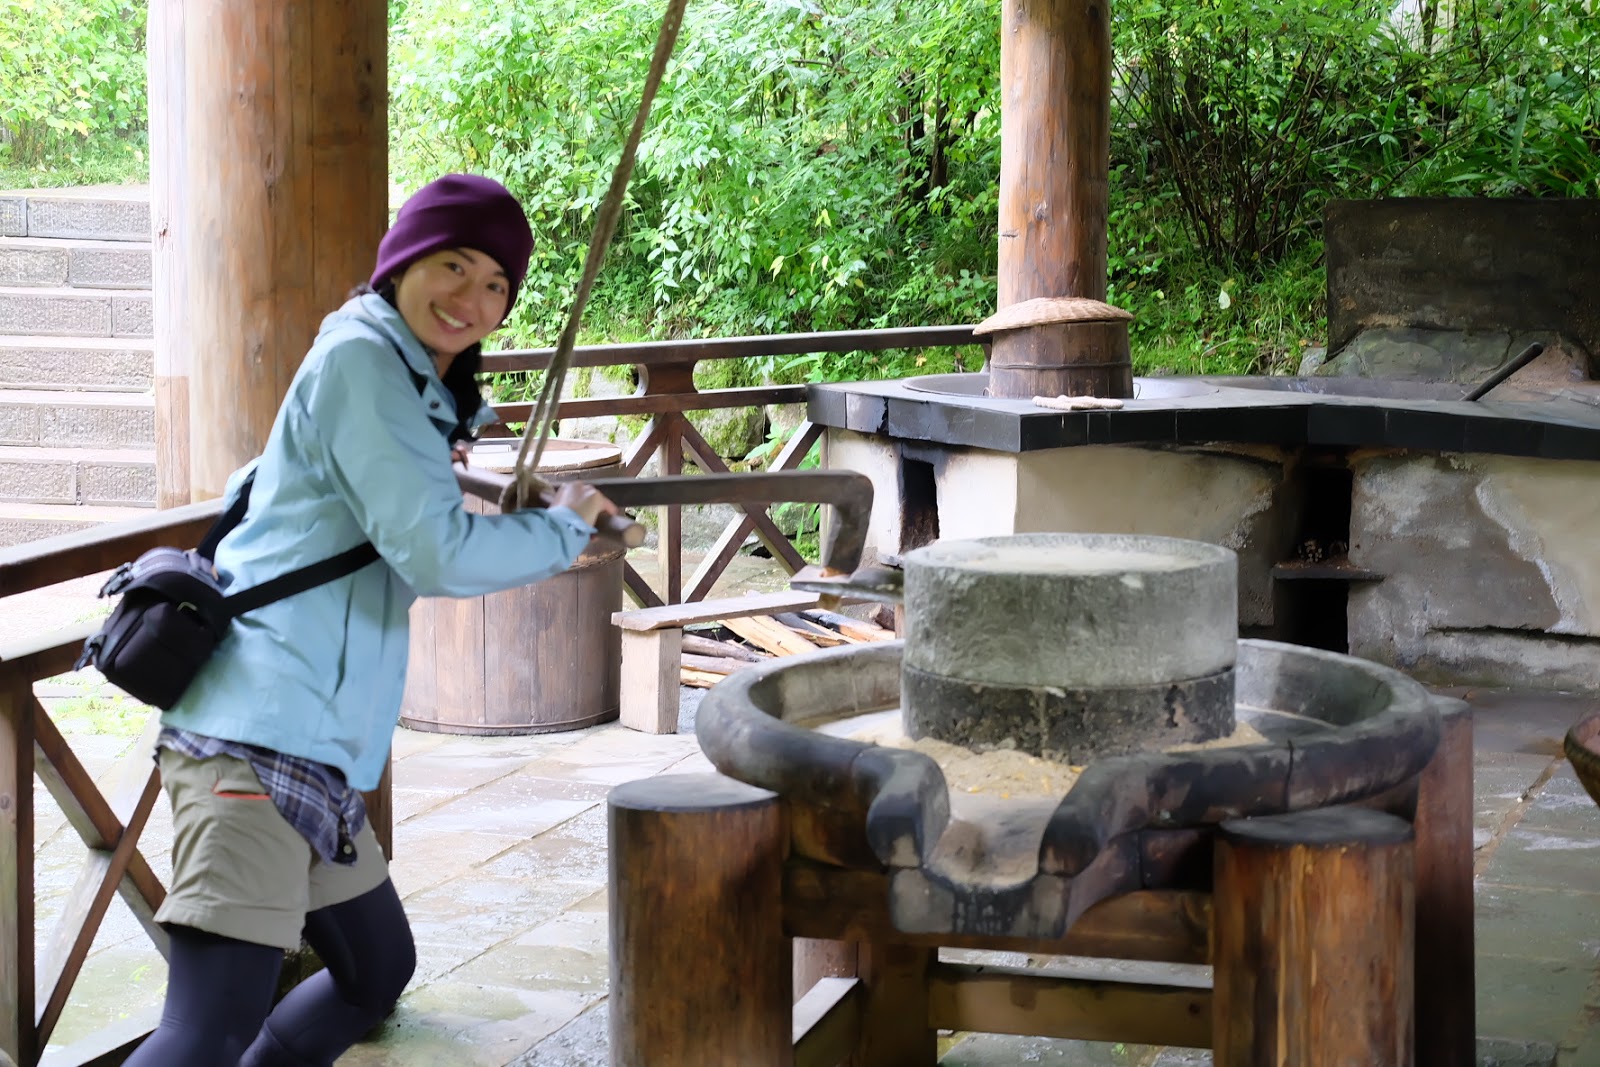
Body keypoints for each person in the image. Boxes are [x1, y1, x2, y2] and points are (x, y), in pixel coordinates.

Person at [125, 174, 617, 1066]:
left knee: (375, 969)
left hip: (309, 745)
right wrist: (564, 528)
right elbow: (436, 552)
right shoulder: (361, 361)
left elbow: (396, 477)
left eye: (496, 284)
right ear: (403, 263)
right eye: (453, 265)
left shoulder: (402, 376)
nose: (472, 298)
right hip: (254, 734)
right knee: (206, 1028)